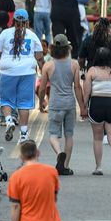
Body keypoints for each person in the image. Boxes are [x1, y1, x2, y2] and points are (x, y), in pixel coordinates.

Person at [0, 9, 44, 143]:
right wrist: (43, 71)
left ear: (14, 21)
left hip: (7, 71)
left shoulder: (5, 33)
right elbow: (39, 56)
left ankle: (9, 120)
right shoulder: (32, 35)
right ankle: (23, 134)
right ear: (27, 22)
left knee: (5, 100)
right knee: (24, 104)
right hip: (27, 72)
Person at [39, 34, 85, 176]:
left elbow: (42, 88)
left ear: (53, 48)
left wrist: (41, 102)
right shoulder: (74, 64)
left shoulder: (48, 65)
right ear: (67, 48)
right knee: (69, 135)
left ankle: (59, 153)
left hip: (55, 104)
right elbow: (77, 87)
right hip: (69, 104)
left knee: (53, 135)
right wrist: (82, 107)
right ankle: (65, 166)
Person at [82, 47, 111, 176]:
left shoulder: (92, 71)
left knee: (97, 138)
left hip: (97, 104)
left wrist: (84, 107)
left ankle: (98, 167)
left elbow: (87, 92)